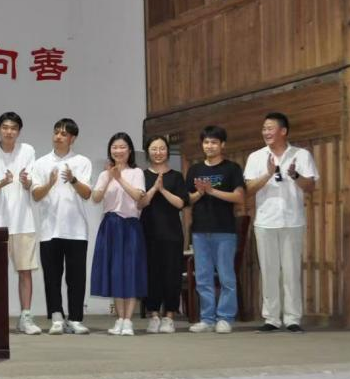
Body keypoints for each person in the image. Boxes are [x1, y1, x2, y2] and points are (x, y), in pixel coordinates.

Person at [244, 111, 318, 333]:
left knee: (291, 271)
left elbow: (311, 186)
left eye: (270, 128)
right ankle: (271, 318)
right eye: (264, 129)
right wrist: (267, 174)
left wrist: (295, 175)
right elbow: (248, 189)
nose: (266, 132)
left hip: (293, 221)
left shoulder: (301, 155)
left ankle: (293, 318)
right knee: (269, 271)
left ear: (283, 131)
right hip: (265, 221)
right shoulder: (256, 157)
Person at [30, 118, 93, 335]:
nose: (58, 137)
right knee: (52, 276)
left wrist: (73, 179)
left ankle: (75, 319)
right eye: (56, 132)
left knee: (76, 278)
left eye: (64, 134)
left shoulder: (82, 161)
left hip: (77, 229)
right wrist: (49, 183)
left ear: (72, 138)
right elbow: (36, 195)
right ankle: (56, 317)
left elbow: (87, 193)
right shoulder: (41, 163)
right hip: (49, 229)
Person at [0, 111, 41, 334]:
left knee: (25, 271)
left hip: (23, 221)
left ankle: (25, 317)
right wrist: (2, 182)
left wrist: (26, 182)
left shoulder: (28, 150)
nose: (9, 132)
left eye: (13, 128)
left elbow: (30, 184)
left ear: (19, 131)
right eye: (5, 127)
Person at [186, 125, 245, 334]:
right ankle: (207, 318)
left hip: (224, 230)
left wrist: (212, 191)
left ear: (222, 145)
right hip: (200, 230)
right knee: (203, 278)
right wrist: (200, 193)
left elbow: (239, 196)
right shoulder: (195, 170)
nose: (209, 146)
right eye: (206, 142)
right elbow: (188, 199)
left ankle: (225, 318)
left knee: (226, 277)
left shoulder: (232, 168)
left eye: (213, 142)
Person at [89, 132, 147, 335]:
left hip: (130, 226)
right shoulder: (104, 174)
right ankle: (120, 319)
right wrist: (108, 178)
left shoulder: (136, 172)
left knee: (129, 270)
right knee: (115, 271)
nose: (118, 151)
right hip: (111, 225)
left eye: (122, 147)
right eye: (114, 147)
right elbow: (96, 198)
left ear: (129, 150)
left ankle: (128, 320)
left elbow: (138, 196)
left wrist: (119, 178)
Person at [138, 135, 189, 333]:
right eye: (154, 149)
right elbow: (140, 203)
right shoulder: (141, 175)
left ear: (167, 151)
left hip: (171, 232)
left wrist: (163, 190)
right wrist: (154, 189)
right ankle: (153, 315)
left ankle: (169, 316)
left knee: (171, 274)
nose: (158, 153)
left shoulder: (176, 176)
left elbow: (181, 203)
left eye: (162, 149)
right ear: (148, 152)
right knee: (151, 273)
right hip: (148, 231)